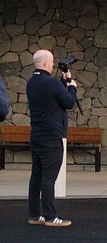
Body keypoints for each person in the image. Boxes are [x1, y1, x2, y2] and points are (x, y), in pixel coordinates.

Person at [26, 49, 77, 227]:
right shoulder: (52, 84)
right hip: (52, 138)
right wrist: (71, 87)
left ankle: (34, 214)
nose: (54, 64)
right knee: (49, 177)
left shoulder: (31, 83)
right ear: (47, 64)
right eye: (52, 62)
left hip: (37, 136)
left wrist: (63, 81)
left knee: (37, 176)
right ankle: (50, 216)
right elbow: (69, 102)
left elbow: (53, 96)